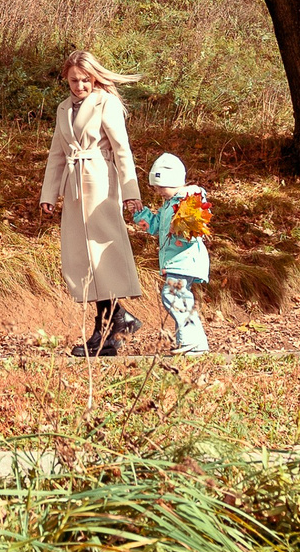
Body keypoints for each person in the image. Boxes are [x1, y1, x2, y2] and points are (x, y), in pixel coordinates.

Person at [40, 49, 144, 356]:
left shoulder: (105, 103)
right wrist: (49, 194)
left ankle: (108, 329)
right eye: (74, 80)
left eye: (86, 80)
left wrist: (131, 192)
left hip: (100, 182)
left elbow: (122, 149)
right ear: (66, 79)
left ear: (95, 78)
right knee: (84, 259)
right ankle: (116, 323)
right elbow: (57, 154)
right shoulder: (63, 109)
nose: (80, 86)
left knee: (102, 255)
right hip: (74, 187)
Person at [137, 153, 211, 356]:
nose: (158, 191)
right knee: (180, 297)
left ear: (175, 182)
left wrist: (179, 227)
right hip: (175, 261)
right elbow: (154, 227)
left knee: (172, 294)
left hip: (185, 260)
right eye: (156, 187)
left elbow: (194, 230)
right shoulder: (168, 205)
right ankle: (192, 343)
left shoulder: (190, 201)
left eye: (162, 187)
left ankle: (191, 340)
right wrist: (140, 213)